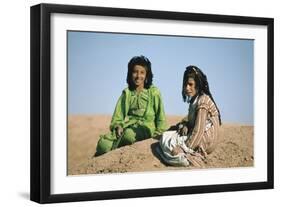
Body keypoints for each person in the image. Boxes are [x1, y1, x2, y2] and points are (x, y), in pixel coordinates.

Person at [95, 55, 167, 156]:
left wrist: (158, 136)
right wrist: (118, 126)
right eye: (135, 72)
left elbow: (161, 118)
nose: (138, 76)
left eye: (142, 72)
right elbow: (117, 117)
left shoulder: (154, 92)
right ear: (130, 74)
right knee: (103, 144)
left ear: (147, 75)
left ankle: (115, 151)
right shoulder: (127, 93)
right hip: (127, 127)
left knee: (129, 135)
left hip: (147, 129)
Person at [158, 65, 221, 167]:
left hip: (203, 142)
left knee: (166, 139)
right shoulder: (196, 100)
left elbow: (199, 130)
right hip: (199, 139)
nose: (187, 88)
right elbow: (190, 120)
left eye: (191, 84)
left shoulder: (203, 101)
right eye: (186, 84)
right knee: (167, 137)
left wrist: (185, 148)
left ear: (198, 85)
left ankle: (189, 157)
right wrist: (185, 125)